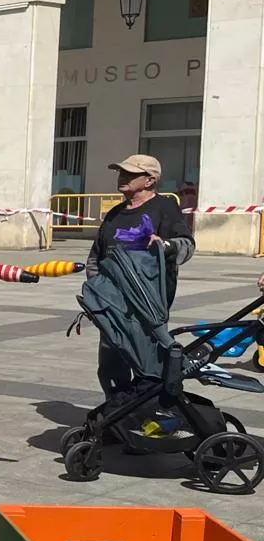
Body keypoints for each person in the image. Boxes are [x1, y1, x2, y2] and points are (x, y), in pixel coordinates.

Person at [89, 154, 195, 395]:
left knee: (149, 365)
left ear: (149, 180)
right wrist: (97, 290)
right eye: (121, 172)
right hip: (113, 304)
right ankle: (118, 414)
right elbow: (97, 254)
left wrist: (165, 245)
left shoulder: (165, 206)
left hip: (147, 305)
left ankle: (150, 414)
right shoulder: (115, 213)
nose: (122, 177)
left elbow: (187, 245)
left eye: (130, 173)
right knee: (110, 366)